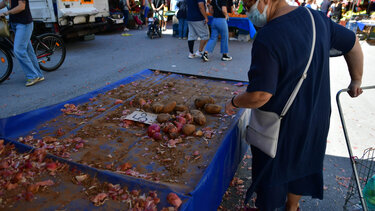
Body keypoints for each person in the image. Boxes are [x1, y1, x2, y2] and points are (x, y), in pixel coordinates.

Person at [225, 0, 363, 210]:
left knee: (272, 177)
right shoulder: (316, 18)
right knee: (301, 166)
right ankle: (292, 207)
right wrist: (356, 80)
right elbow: (352, 44)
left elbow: (261, 94)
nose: (247, 9)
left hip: (281, 127)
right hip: (316, 117)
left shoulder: (268, 35)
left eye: (249, 2)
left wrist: (235, 102)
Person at [0, 0, 44, 87]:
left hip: (24, 24)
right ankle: (38, 74)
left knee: (19, 50)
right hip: (15, 24)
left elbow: (21, 7)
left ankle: (33, 76)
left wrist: (5, 13)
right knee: (28, 51)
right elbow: (4, 3)